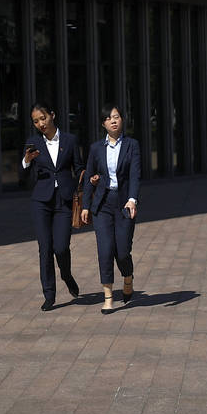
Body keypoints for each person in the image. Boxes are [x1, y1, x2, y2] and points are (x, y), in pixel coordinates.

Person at [21, 102, 83, 311]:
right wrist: (27, 161)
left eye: (43, 118)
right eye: (36, 121)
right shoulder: (33, 143)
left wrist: (85, 184)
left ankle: (66, 275)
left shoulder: (70, 140)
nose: (40, 123)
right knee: (45, 248)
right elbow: (24, 179)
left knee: (61, 247)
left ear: (52, 115)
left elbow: (79, 168)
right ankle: (49, 295)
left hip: (64, 201)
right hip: (41, 202)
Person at [81, 104, 141, 314]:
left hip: (124, 204)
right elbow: (90, 177)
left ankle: (128, 277)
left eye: (116, 117)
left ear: (122, 120)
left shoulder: (132, 145)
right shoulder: (96, 148)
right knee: (105, 251)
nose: (113, 120)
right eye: (108, 118)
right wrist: (86, 206)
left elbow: (134, 175)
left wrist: (132, 199)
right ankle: (108, 297)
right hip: (103, 205)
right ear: (104, 124)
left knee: (122, 252)